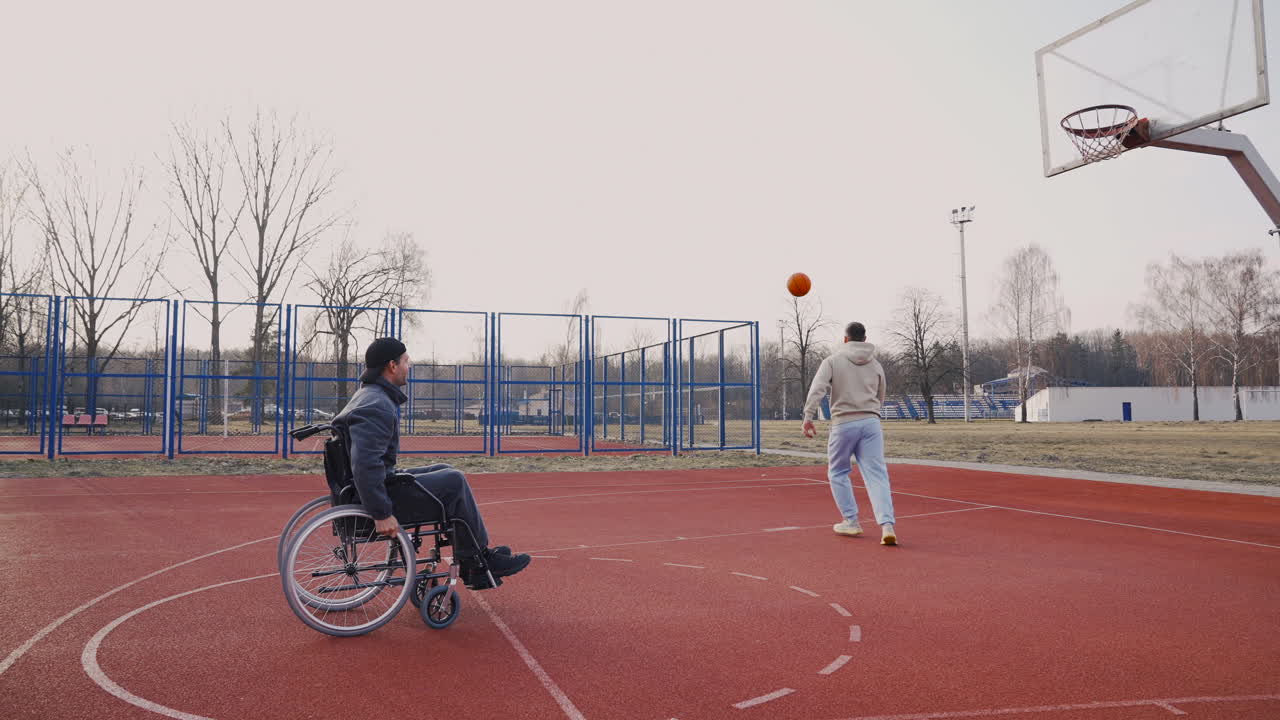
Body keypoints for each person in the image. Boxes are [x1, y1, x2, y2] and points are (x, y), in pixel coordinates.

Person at [333, 337, 532, 588]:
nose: (410, 365)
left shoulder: (369, 395)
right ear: (392, 366)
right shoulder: (377, 404)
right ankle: (476, 563)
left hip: (373, 486)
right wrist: (381, 513)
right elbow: (364, 463)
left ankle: (475, 552)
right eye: (406, 361)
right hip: (377, 497)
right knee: (454, 481)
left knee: (445, 471)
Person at [801, 321, 898, 546]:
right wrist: (872, 412)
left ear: (845, 339)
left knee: (838, 472)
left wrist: (808, 416)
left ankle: (851, 521)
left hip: (844, 423)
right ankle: (887, 526)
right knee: (877, 475)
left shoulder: (833, 361)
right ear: (865, 339)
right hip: (871, 422)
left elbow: (818, 388)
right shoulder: (876, 365)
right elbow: (881, 394)